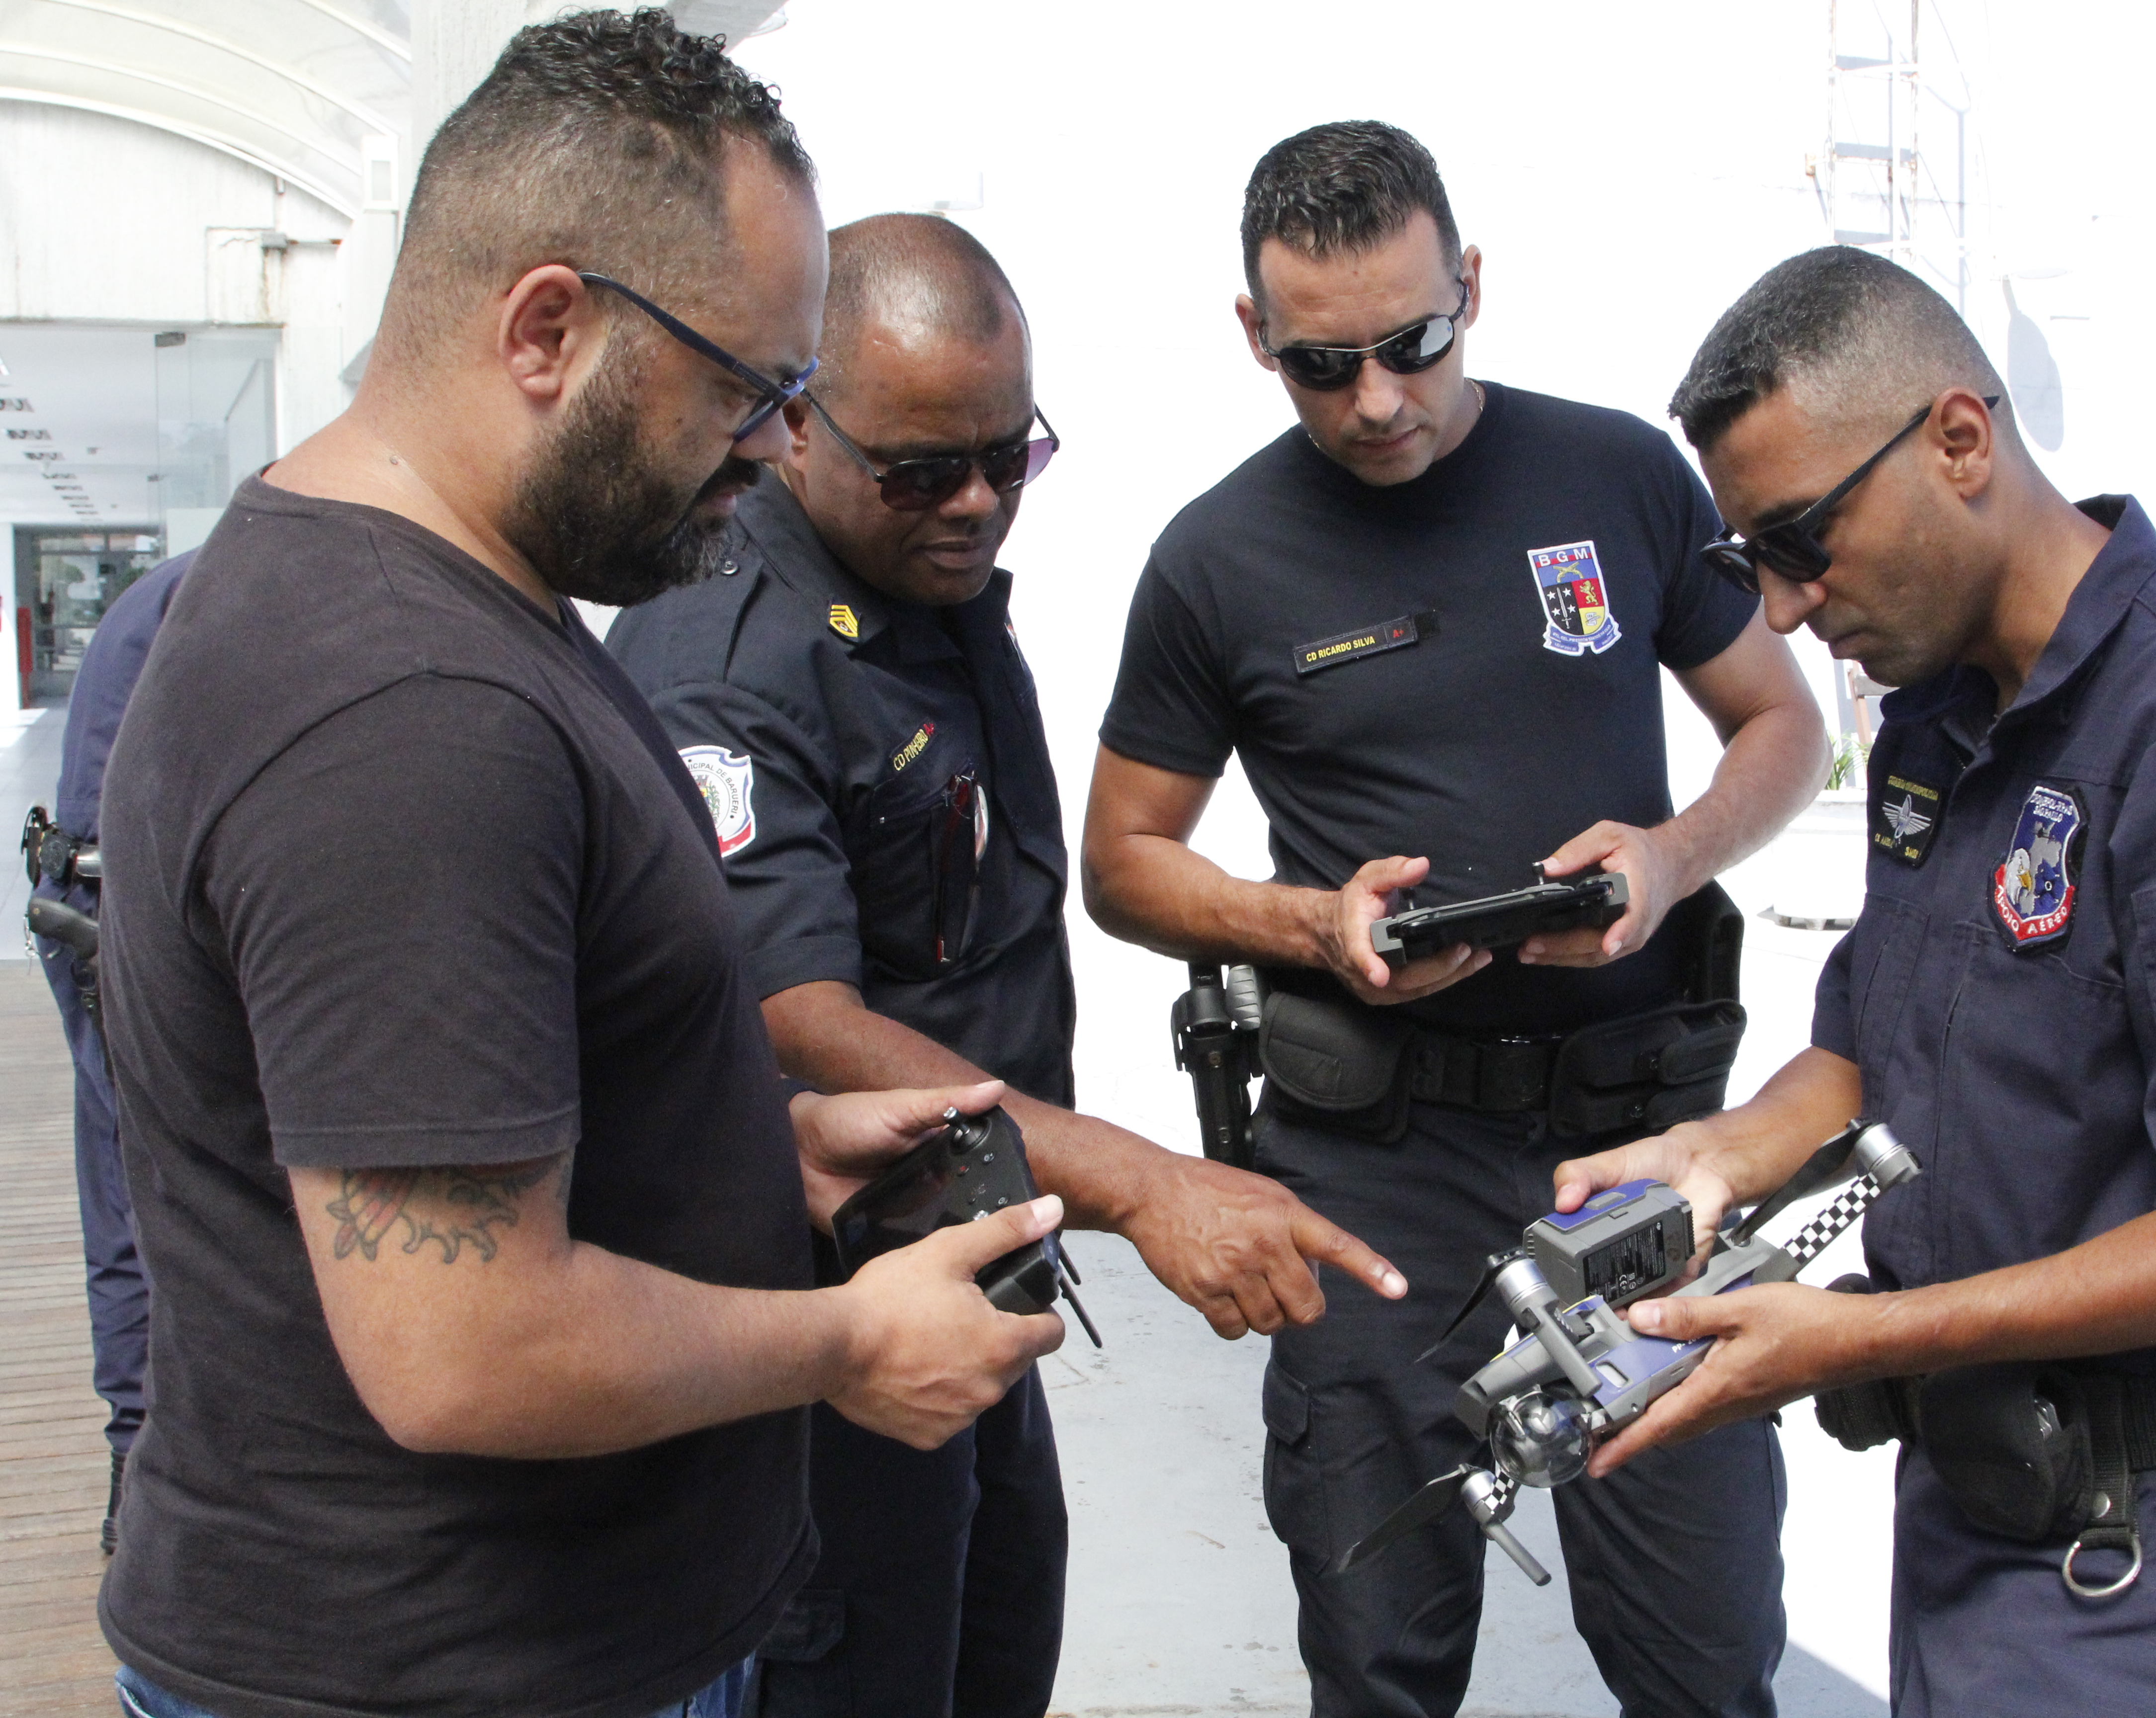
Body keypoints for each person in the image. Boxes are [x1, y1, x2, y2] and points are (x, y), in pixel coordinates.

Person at [94, 14, 1062, 1718]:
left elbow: (426, 1116)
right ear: (550, 326)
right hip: (448, 1667)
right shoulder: (406, 710)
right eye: (752, 390)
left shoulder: (444, 606)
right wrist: (846, 1340)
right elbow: (466, 1343)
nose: (776, 447)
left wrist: (767, 1153)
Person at [1555, 246, 2156, 1718]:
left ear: (1959, 440)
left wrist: (1864, 1337)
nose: (1780, 608)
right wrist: (1719, 1157)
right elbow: (1877, 1042)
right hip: (1981, 1485)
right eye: (1746, 561)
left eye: (1803, 539)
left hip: (2129, 1541)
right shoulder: (1942, 721)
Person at [608, 212, 1402, 1718]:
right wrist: (1146, 1181)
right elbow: (796, 1016)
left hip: (978, 1275)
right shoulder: (725, 651)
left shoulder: (931, 591)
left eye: (1008, 457)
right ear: (794, 428)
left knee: (993, 1649)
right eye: (923, 470)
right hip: (822, 1326)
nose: (977, 503)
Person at [1083, 122, 1828, 1718]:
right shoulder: (1216, 560)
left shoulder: (1619, 475)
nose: (1377, 400)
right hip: (1379, 1176)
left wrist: (1671, 858)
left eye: (1415, 343)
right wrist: (1307, 923)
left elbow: (1785, 728)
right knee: (1380, 1659)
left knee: (1702, 1652)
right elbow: (1125, 860)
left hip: (1636, 1160)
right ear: (1254, 337)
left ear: (1472, 284)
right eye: (1321, 364)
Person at [24, 547, 191, 1554]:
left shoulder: (173, 589)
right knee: (150, 1186)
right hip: (117, 920)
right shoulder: (215, 595)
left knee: (126, 1180)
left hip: (90, 906)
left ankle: (141, 1467)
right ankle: (146, 1468)